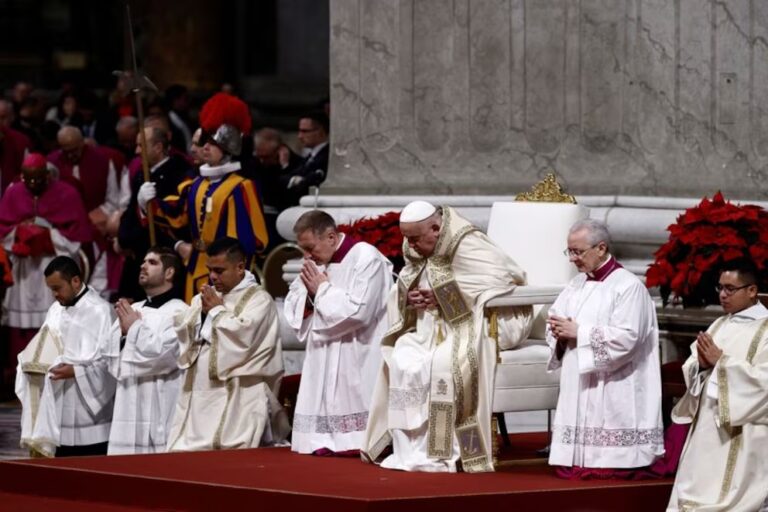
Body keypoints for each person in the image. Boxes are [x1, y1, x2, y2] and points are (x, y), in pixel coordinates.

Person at [363, 201, 533, 472]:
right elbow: (409, 278)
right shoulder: (417, 244)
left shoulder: (468, 242)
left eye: (416, 238)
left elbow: (503, 281)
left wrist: (443, 295)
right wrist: (413, 296)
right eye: (407, 238)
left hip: (489, 319)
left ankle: (449, 450)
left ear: (436, 228)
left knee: (443, 362)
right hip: (438, 323)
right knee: (404, 355)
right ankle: (412, 448)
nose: (411, 246)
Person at [546, 219, 663, 478]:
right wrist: (559, 332)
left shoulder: (629, 286)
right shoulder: (576, 285)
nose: (572, 259)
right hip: (579, 372)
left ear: (600, 248)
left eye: (578, 251)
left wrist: (580, 333)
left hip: (617, 378)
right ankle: (579, 456)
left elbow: (629, 337)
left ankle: (616, 458)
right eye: (570, 251)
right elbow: (556, 317)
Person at [284, 210, 392, 455]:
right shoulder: (317, 262)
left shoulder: (366, 258)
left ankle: (359, 440)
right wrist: (312, 295)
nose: (307, 256)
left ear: (331, 237)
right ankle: (323, 439)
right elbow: (295, 302)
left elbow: (359, 311)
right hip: (325, 349)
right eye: (303, 249)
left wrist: (321, 290)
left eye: (310, 247)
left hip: (358, 345)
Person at [167, 237, 289, 451]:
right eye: (210, 269)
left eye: (219, 270)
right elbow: (186, 330)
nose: (212, 277)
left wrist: (216, 311)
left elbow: (245, 339)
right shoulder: (205, 297)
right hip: (201, 391)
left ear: (240, 267)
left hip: (240, 395)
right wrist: (200, 316)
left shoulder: (258, 300)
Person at [144, 93, 268, 301]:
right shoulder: (196, 184)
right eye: (204, 142)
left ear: (228, 148)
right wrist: (148, 202)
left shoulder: (241, 187)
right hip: (195, 266)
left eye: (213, 143)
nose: (206, 147)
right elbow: (177, 215)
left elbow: (249, 239)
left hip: (225, 274)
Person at [667, 260, 768, 511]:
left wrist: (721, 363)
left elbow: (763, 382)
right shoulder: (720, 323)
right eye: (720, 288)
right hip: (706, 427)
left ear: (752, 291)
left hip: (744, 431)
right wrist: (700, 366)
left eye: (730, 289)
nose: (723, 295)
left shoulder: (765, 329)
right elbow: (693, 365)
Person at [0, 153, 91, 395]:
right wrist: (20, 233)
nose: (31, 185)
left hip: (51, 264)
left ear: (47, 175)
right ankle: (21, 375)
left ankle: (51, 370)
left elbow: (76, 236)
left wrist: (46, 234)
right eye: (27, 180)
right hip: (24, 268)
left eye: (37, 179)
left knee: (51, 319)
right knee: (21, 326)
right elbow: (3, 228)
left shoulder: (66, 193)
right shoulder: (13, 192)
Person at [16, 256, 116, 457]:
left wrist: (76, 371)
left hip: (89, 417)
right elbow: (43, 345)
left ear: (75, 281)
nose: (54, 294)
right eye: (51, 289)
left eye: (57, 288)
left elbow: (111, 362)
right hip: (57, 409)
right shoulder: (55, 310)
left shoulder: (101, 311)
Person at [106, 247, 188, 455]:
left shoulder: (180, 312)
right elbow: (109, 355)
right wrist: (124, 335)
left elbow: (164, 356)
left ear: (169, 273)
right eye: (143, 261)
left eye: (152, 262)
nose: (143, 266)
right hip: (128, 402)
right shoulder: (135, 309)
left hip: (161, 400)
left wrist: (133, 329)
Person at [117, 125, 192, 301]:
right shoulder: (141, 175)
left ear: (158, 147)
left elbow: (175, 217)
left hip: (165, 260)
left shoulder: (178, 173)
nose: (137, 151)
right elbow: (129, 218)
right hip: (138, 257)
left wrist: (151, 208)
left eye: (141, 145)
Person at [285, 111, 329, 197]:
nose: (300, 136)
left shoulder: (327, 157)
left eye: (305, 131)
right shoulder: (309, 157)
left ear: (320, 131)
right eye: (299, 131)